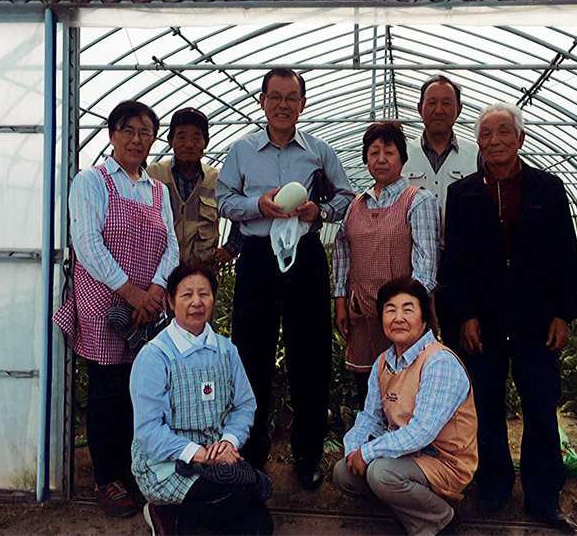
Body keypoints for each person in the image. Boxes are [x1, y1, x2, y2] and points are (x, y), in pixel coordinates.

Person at [443, 103, 577, 533]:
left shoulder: (548, 189)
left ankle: (543, 497)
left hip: (535, 322)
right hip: (482, 324)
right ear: (478, 145)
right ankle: (494, 488)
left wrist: (564, 314)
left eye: (504, 132)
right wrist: (463, 315)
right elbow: (455, 264)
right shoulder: (463, 194)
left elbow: (567, 256)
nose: (495, 141)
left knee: (539, 407)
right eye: (486, 135)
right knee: (484, 407)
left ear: (520, 139)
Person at [216, 68, 353, 489]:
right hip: (258, 257)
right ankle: (252, 453)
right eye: (274, 97)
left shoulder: (319, 152)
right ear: (262, 101)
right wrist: (259, 205)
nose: (282, 105)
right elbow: (224, 200)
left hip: (305, 256)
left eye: (291, 98)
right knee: (251, 354)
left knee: (309, 356)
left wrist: (320, 212)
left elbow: (347, 196)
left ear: (302, 105)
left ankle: (308, 456)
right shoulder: (242, 151)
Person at [54, 101, 180, 517]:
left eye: (145, 133)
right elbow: (87, 243)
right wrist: (131, 293)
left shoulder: (156, 189)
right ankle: (107, 479)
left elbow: (171, 246)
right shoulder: (91, 181)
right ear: (111, 134)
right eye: (128, 130)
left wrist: (157, 290)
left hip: (147, 306)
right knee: (108, 392)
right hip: (107, 303)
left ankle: (134, 473)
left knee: (142, 392)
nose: (136, 139)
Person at [130, 263, 273, 536]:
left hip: (217, 460)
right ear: (170, 302)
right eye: (186, 295)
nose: (196, 302)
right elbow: (148, 431)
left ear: (213, 299)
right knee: (237, 500)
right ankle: (165, 514)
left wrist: (228, 443)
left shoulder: (226, 350)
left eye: (204, 294)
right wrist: (199, 454)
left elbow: (244, 405)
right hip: (168, 463)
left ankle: (182, 519)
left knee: (261, 526)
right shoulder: (154, 356)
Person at [334, 277, 477, 536]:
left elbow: (422, 432)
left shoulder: (438, 361)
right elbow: (369, 418)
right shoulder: (383, 362)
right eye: (390, 310)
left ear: (424, 321)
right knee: (343, 473)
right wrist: (354, 450)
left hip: (443, 460)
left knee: (381, 472)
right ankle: (409, 506)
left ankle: (441, 520)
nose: (398, 317)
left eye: (408, 309)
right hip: (408, 454)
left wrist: (367, 454)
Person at [333, 122, 440, 405]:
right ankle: (370, 448)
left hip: (403, 318)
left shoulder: (418, 200)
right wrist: (341, 301)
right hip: (362, 314)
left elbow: (426, 265)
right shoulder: (355, 205)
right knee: (369, 391)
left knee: (406, 390)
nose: (381, 159)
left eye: (389, 152)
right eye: (373, 152)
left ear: (402, 159)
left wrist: (406, 310)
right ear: (365, 158)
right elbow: (343, 253)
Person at [401, 74, 479, 349]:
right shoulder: (402, 154)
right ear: (419, 108)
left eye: (447, 103)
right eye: (431, 102)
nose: (439, 109)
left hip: (461, 263)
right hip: (411, 263)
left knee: (463, 341)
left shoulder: (475, 154)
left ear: (458, 111)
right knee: (414, 341)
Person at [146, 107, 242, 268]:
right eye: (181, 137)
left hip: (202, 272)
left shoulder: (218, 179)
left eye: (196, 137)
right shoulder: (153, 175)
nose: (189, 144)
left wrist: (230, 249)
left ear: (205, 143)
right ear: (170, 141)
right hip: (159, 271)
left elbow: (240, 214)